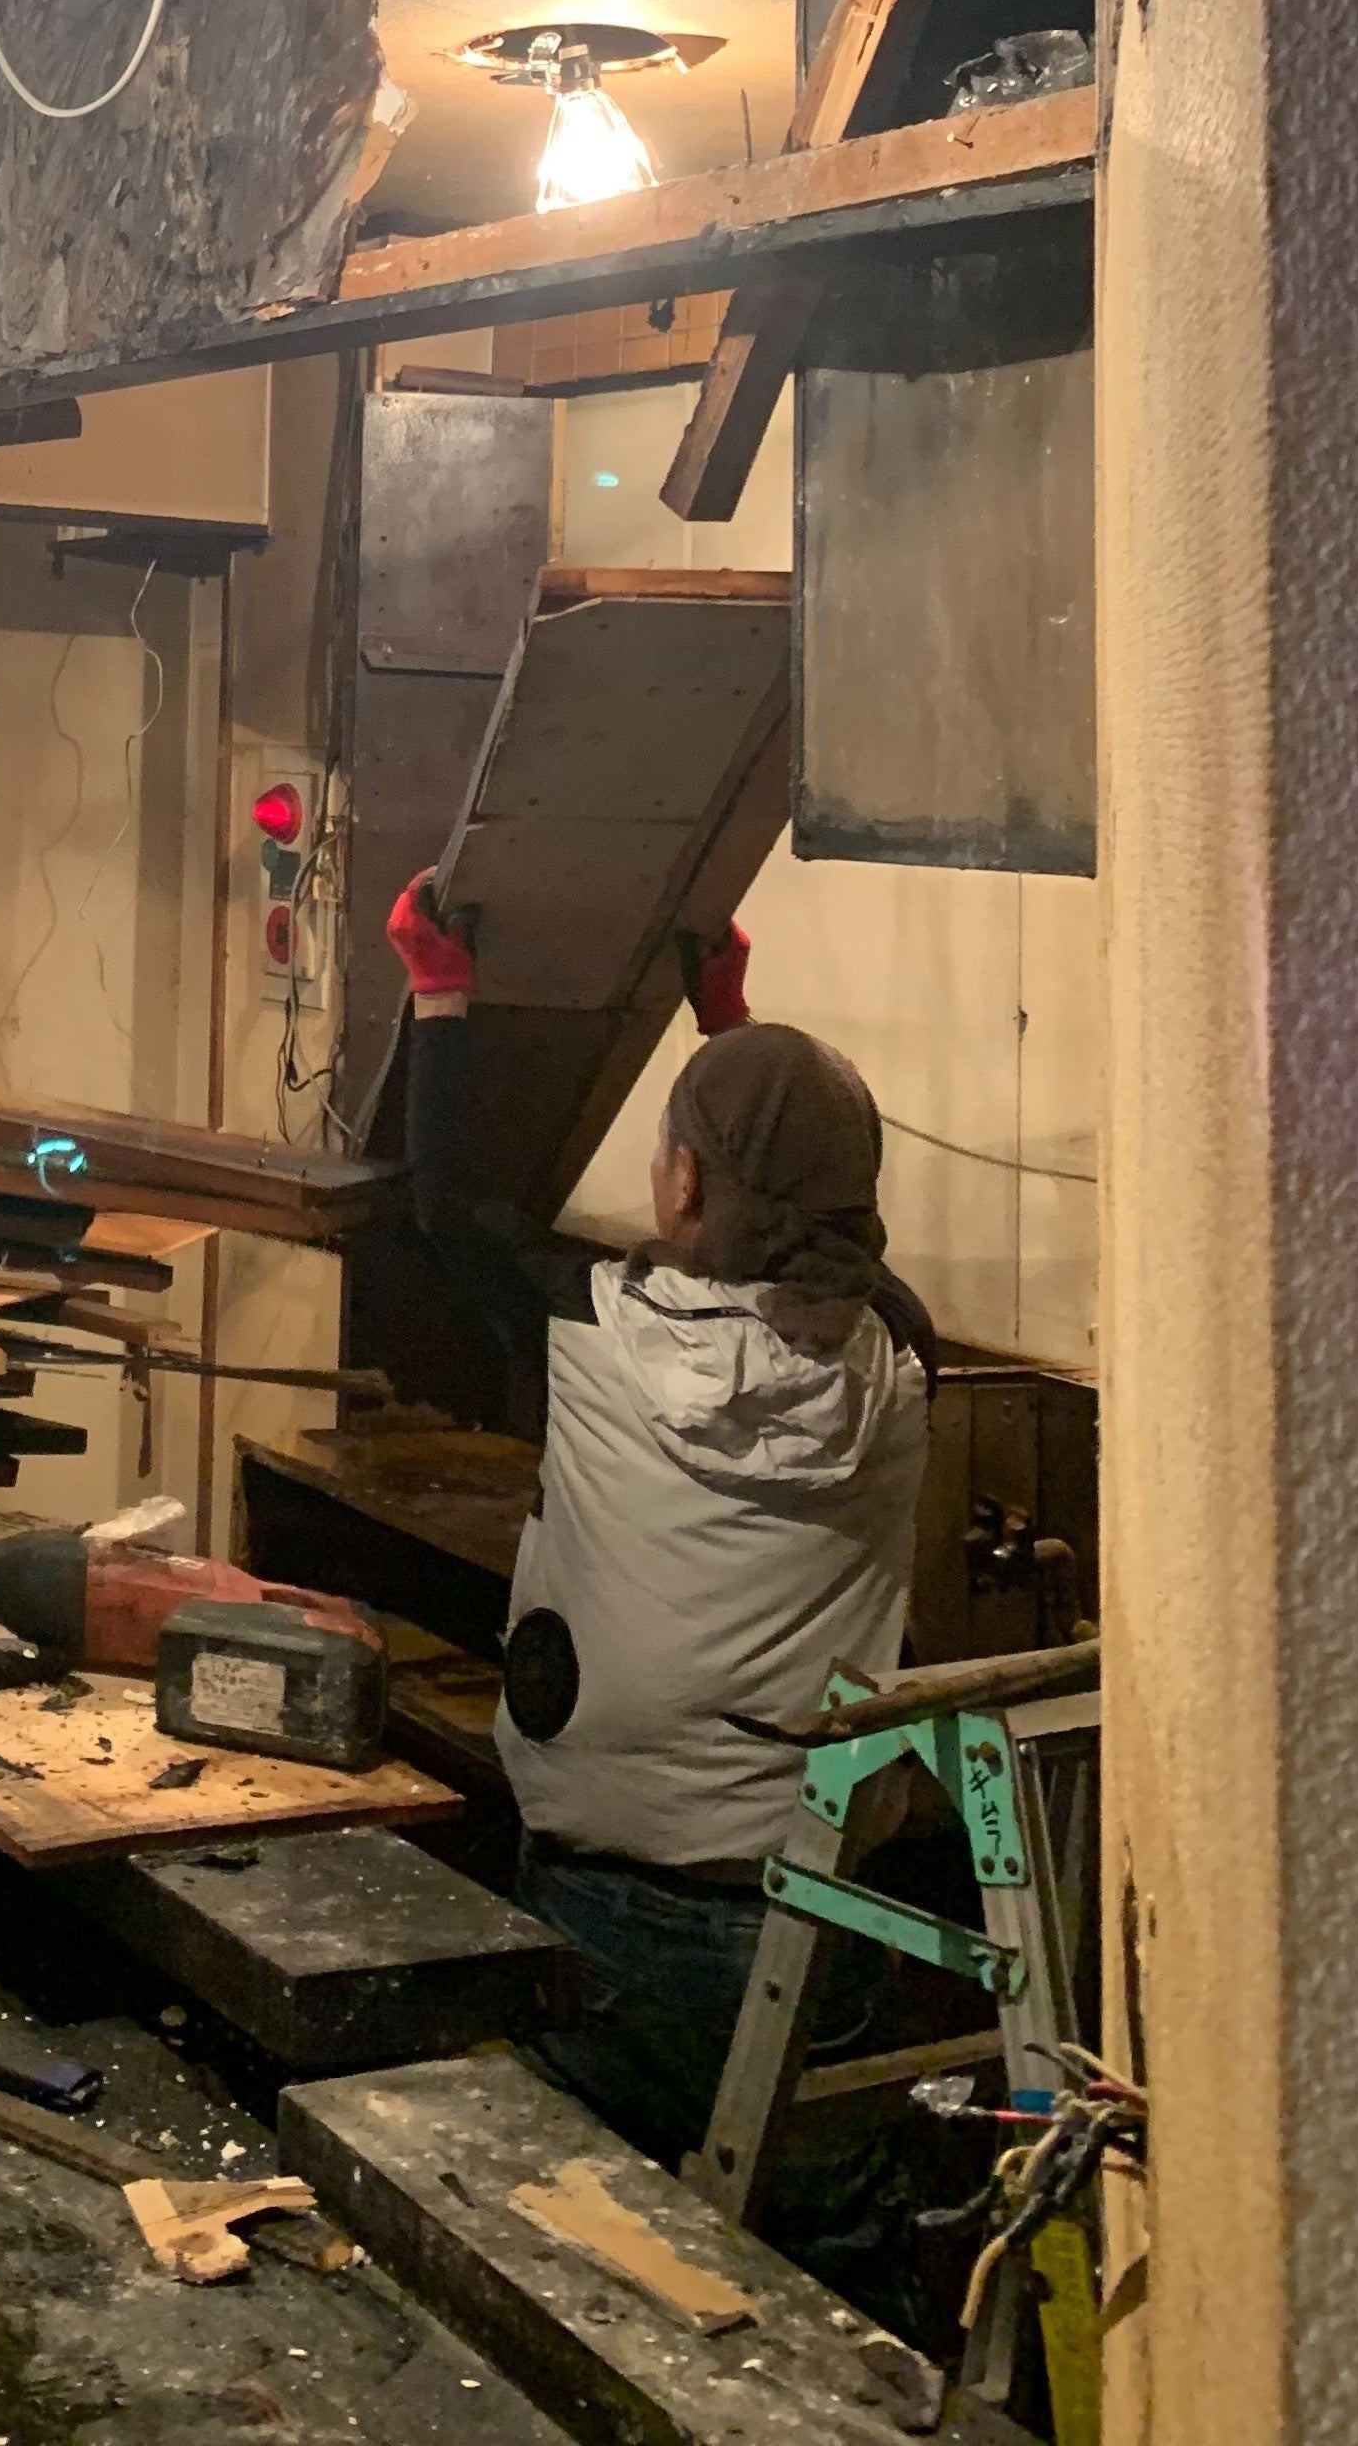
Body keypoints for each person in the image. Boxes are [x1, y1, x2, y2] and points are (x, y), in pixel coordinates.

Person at [385, 879, 935, 2183]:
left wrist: (439, 993)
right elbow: (812, 1221)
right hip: (825, 1918)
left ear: (685, 1182)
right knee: (816, 2241)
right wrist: (730, 1026)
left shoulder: (592, 1332)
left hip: (611, 1913)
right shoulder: (902, 1358)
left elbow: (445, 1204)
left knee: (592, 2226)